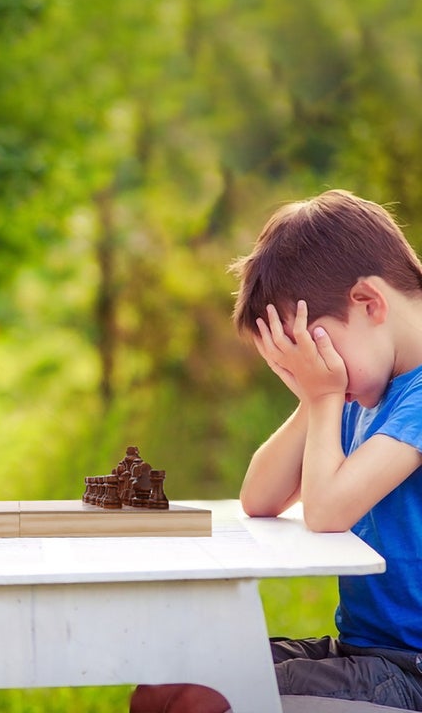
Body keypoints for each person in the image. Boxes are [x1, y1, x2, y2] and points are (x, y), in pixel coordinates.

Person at [131, 188, 422, 712]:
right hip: (366, 653)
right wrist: (315, 396)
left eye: (316, 346)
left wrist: (327, 392)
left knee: (203, 701)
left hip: (412, 669)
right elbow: (260, 499)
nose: (314, 369)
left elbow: (328, 512)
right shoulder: (367, 383)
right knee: (162, 687)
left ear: (369, 302)